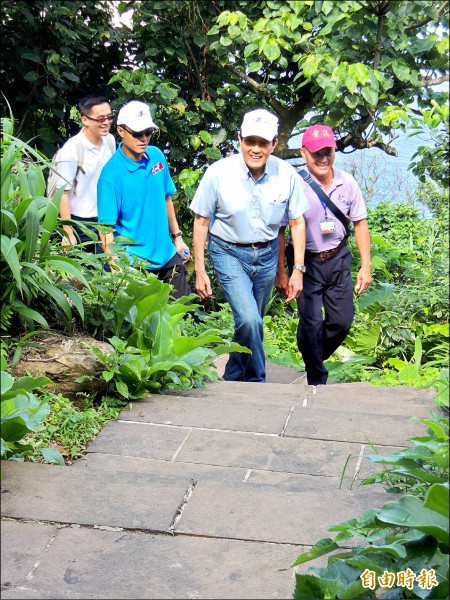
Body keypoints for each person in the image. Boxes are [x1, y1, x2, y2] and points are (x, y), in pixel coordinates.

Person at [190, 108, 309, 383]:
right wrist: (200, 270)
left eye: (263, 143)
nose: (255, 149)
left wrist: (297, 270)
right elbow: (201, 221)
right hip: (228, 251)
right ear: (239, 139)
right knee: (250, 320)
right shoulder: (218, 173)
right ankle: (257, 379)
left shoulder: (287, 174)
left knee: (250, 322)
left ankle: (233, 374)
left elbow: (297, 223)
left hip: (266, 255)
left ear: (274, 144)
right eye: (250, 142)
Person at [276, 124, 372, 386]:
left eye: (327, 151)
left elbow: (360, 224)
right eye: (316, 152)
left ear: (334, 152)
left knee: (342, 322)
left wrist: (366, 266)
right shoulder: (294, 185)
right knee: (311, 322)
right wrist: (282, 272)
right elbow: (281, 231)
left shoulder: (347, 183)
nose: (323, 158)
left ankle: (311, 351)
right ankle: (316, 378)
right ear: (303, 153)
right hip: (305, 263)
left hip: (339, 259)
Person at [97, 100, 191, 299]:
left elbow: (166, 197)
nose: (144, 138)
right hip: (134, 263)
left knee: (184, 315)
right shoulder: (110, 176)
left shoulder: (156, 156)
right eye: (137, 133)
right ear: (121, 131)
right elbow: (105, 229)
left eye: (148, 132)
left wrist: (178, 237)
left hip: (166, 254)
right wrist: (116, 269)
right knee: (144, 326)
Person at [54, 93, 116, 260]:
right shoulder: (71, 150)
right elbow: (62, 193)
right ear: (85, 120)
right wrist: (68, 233)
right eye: (100, 118)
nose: (107, 122)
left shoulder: (110, 141)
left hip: (105, 219)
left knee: (111, 270)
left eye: (110, 117)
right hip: (80, 223)